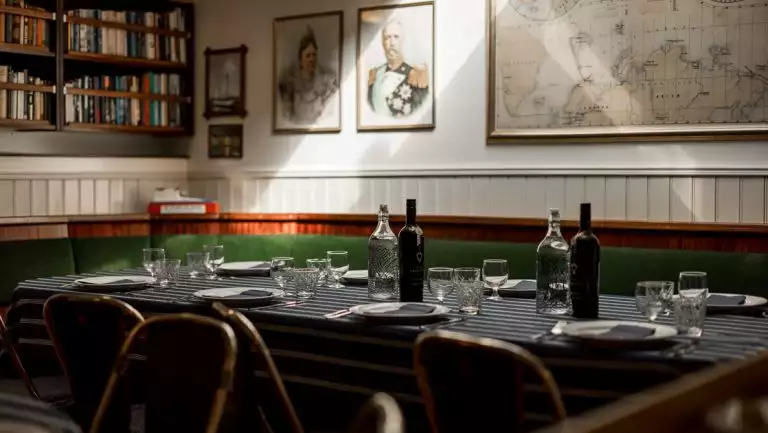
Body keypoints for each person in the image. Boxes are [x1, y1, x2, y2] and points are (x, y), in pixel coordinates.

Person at [368, 20, 429, 118]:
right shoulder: (374, 76)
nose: (391, 43)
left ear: (403, 40)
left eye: (396, 37)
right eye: (387, 38)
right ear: (382, 43)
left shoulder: (415, 76)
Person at [278, 27, 339, 124]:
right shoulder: (290, 83)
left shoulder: (326, 82)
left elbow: (328, 117)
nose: (312, 59)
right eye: (308, 55)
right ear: (300, 59)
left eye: (314, 55)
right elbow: (287, 117)